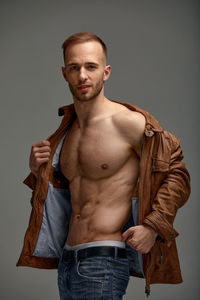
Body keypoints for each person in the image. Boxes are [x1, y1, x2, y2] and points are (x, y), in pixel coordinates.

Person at [17, 32, 191, 299]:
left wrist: (154, 226)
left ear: (106, 72)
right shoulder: (66, 132)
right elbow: (67, 196)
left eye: (91, 66)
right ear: (64, 73)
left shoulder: (128, 123)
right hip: (67, 261)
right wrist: (37, 171)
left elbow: (177, 173)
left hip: (103, 262)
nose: (82, 76)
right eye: (74, 68)